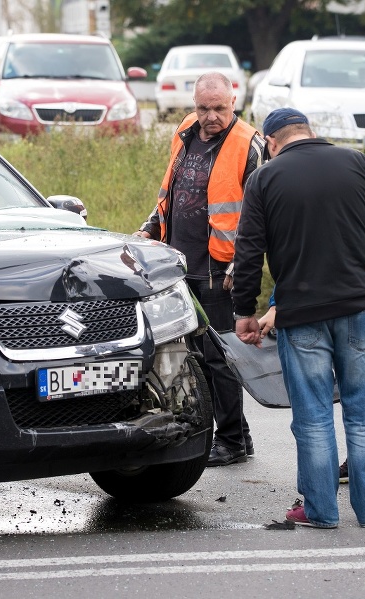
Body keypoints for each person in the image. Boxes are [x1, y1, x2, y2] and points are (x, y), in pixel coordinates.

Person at [233, 108, 365, 528]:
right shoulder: (355, 163)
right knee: (364, 413)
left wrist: (245, 311)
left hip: (301, 316)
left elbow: (249, 250)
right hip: (357, 311)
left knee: (312, 417)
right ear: (309, 132)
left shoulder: (265, 178)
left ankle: (320, 510)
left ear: (272, 142)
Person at [136, 72, 265, 467]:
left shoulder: (250, 145)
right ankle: (238, 433)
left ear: (234, 101)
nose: (210, 116)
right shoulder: (186, 131)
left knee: (219, 357)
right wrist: (151, 228)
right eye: (202, 108)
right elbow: (172, 191)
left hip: (219, 269)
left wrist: (241, 265)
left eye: (219, 108)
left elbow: (259, 216)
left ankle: (230, 442)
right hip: (178, 263)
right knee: (191, 353)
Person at [257, 188, 365, 490]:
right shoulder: (317, 199)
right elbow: (299, 259)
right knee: (361, 397)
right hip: (358, 294)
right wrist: (276, 304)